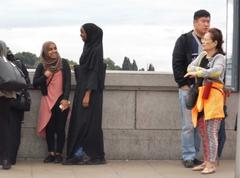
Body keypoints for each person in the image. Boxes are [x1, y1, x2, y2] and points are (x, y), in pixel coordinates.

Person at [172, 9, 211, 168]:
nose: (206, 24)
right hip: (188, 89)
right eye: (203, 21)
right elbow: (177, 63)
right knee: (188, 125)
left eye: (208, 21)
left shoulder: (210, 41)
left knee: (198, 124)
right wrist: (183, 84)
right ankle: (188, 156)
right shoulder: (184, 40)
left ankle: (194, 155)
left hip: (205, 90)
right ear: (195, 22)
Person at [184, 28, 226, 174]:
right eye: (203, 39)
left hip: (213, 97)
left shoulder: (219, 57)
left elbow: (216, 71)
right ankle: (206, 161)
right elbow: (189, 67)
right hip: (202, 97)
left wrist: (199, 72)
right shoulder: (203, 55)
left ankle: (212, 163)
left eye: (206, 40)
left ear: (215, 43)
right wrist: (200, 70)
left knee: (211, 131)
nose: (203, 42)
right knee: (203, 131)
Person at [64, 23, 106, 165]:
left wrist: (87, 94)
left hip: (89, 93)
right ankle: (83, 154)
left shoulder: (95, 50)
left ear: (90, 33)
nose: (80, 34)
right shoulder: (89, 47)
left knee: (85, 124)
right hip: (84, 90)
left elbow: (94, 72)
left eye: (82, 32)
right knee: (81, 123)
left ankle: (88, 155)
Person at [33, 41, 71, 163]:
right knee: (49, 128)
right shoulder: (42, 66)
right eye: (50, 49)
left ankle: (59, 154)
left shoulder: (63, 63)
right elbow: (35, 83)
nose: (53, 51)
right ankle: (51, 153)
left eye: (55, 48)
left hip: (61, 100)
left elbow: (67, 84)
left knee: (60, 128)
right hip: (47, 101)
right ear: (45, 51)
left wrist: (65, 98)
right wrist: (45, 75)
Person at [0, 41, 17, 170]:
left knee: (4, 128)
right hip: (6, 96)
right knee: (5, 127)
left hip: (3, 96)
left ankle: (5, 158)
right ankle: (5, 159)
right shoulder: (9, 60)